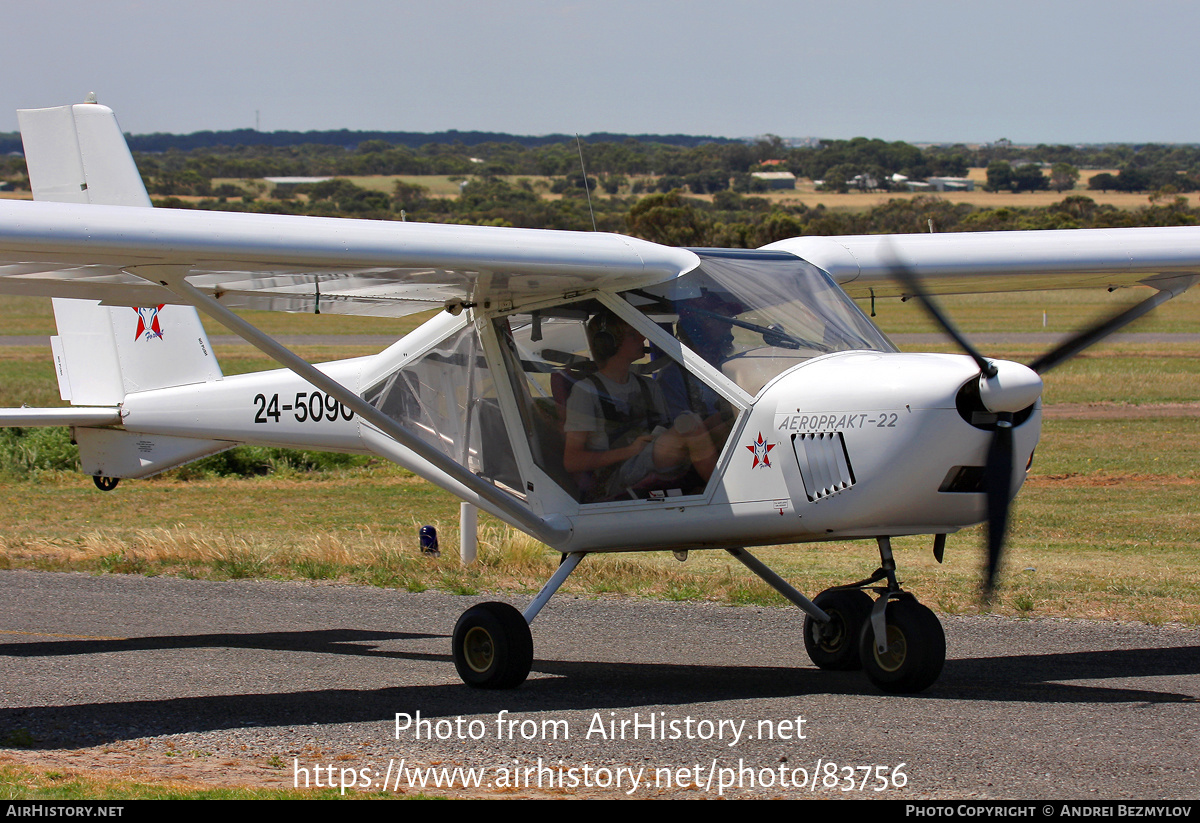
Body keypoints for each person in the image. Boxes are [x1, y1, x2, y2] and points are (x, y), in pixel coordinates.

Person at [563, 311, 718, 502]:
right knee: (690, 426)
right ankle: (723, 497)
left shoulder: (648, 385)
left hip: (652, 452)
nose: (643, 338)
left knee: (724, 423)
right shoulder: (586, 392)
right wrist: (629, 451)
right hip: (617, 473)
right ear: (608, 343)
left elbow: (666, 427)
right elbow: (572, 461)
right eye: (632, 334)